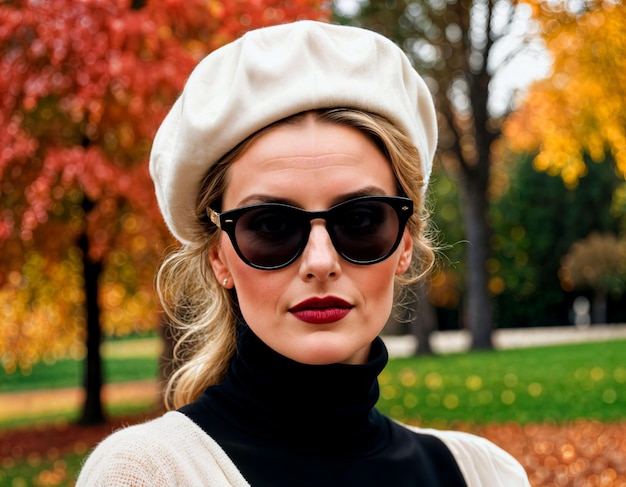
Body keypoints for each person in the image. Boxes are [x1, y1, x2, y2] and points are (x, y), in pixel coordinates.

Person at [77, 20, 530, 487]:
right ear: (219, 258)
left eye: (360, 221)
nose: (319, 263)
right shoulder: (148, 474)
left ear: (404, 245)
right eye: (272, 226)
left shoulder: (483, 474)